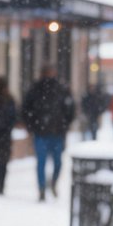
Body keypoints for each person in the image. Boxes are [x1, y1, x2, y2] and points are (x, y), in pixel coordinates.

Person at [21, 64, 75, 201]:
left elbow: (70, 109)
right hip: (42, 132)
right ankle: (41, 188)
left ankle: (52, 183)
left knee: (57, 162)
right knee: (42, 162)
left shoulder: (61, 89)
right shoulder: (37, 89)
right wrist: (31, 126)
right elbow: (26, 109)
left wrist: (65, 124)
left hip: (56, 132)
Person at [0, 75, 18, 195]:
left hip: (1, 135)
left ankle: (0, 185)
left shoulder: (5, 100)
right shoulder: (6, 99)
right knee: (2, 163)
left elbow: (13, 117)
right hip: (2, 135)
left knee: (1, 162)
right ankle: (0, 185)